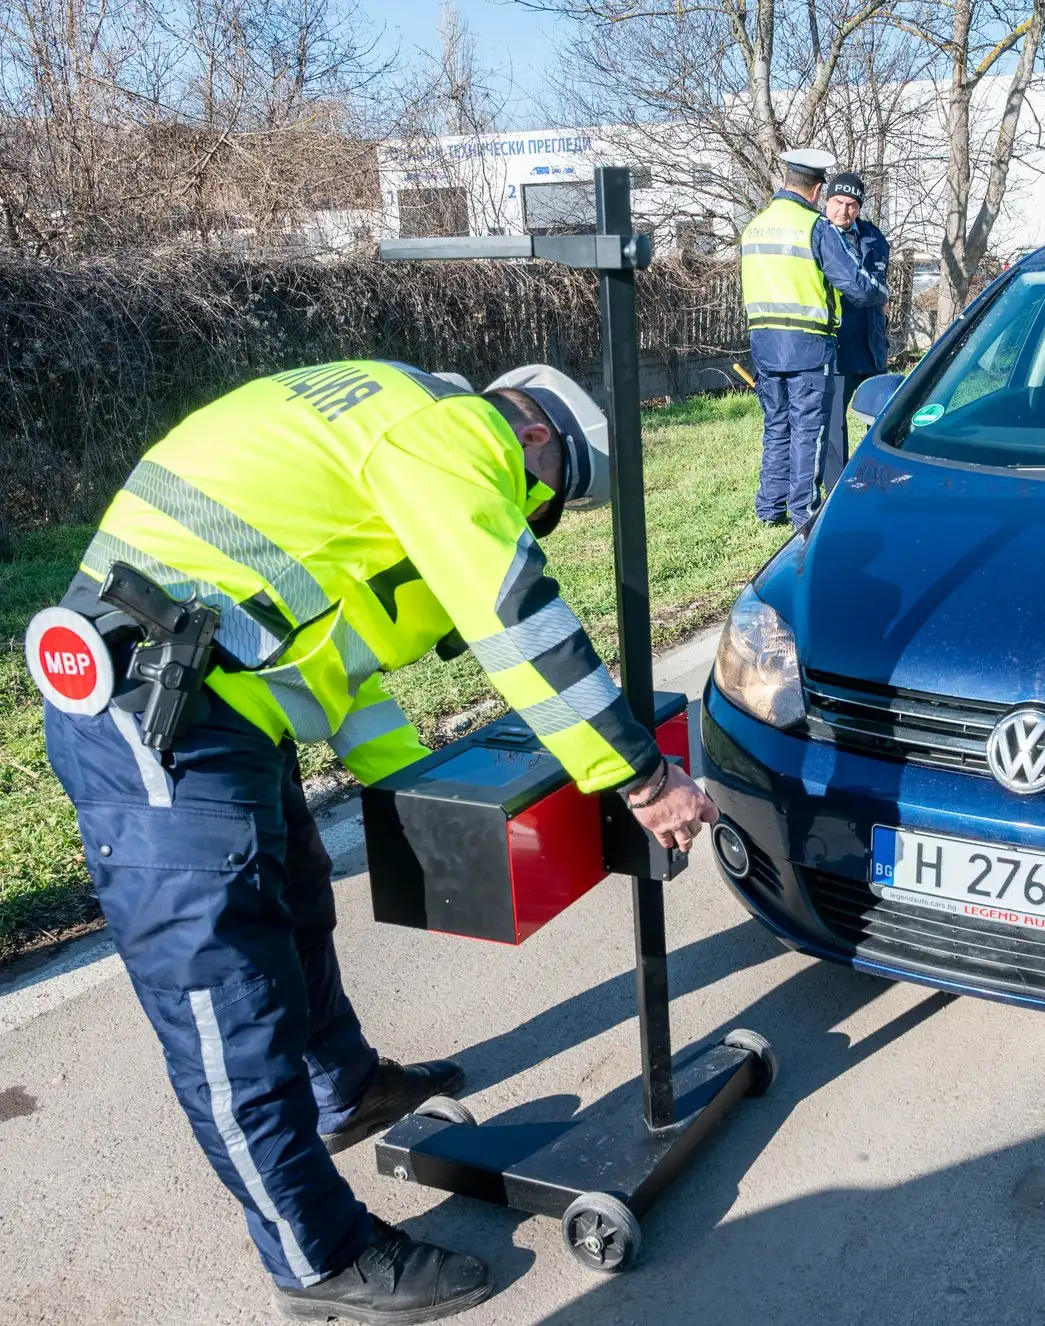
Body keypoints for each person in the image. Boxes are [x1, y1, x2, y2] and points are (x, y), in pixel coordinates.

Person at [29, 360, 719, 1325]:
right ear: (533, 438)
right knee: (228, 998)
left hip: (219, 691)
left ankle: (344, 1092)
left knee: (298, 897)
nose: (533, 520)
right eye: (548, 503)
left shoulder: (387, 419)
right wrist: (641, 776)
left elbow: (334, 644)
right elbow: (513, 616)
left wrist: (412, 793)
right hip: (152, 713)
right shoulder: (453, 438)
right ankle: (318, 1259)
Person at [742, 149, 888, 527]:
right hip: (808, 345)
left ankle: (768, 509)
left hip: (764, 344)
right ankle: (804, 513)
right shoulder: (813, 227)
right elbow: (856, 286)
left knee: (776, 428)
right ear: (818, 190)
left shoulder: (755, 226)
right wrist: (880, 294)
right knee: (810, 429)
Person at [821, 170, 892, 493]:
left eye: (851, 204)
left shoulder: (875, 238)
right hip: (835, 344)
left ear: (860, 207)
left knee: (881, 415)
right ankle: (836, 490)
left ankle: (876, 480)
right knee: (833, 423)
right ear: (826, 200)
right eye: (837, 202)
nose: (843, 211)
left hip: (870, 341)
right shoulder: (818, 235)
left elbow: (882, 289)